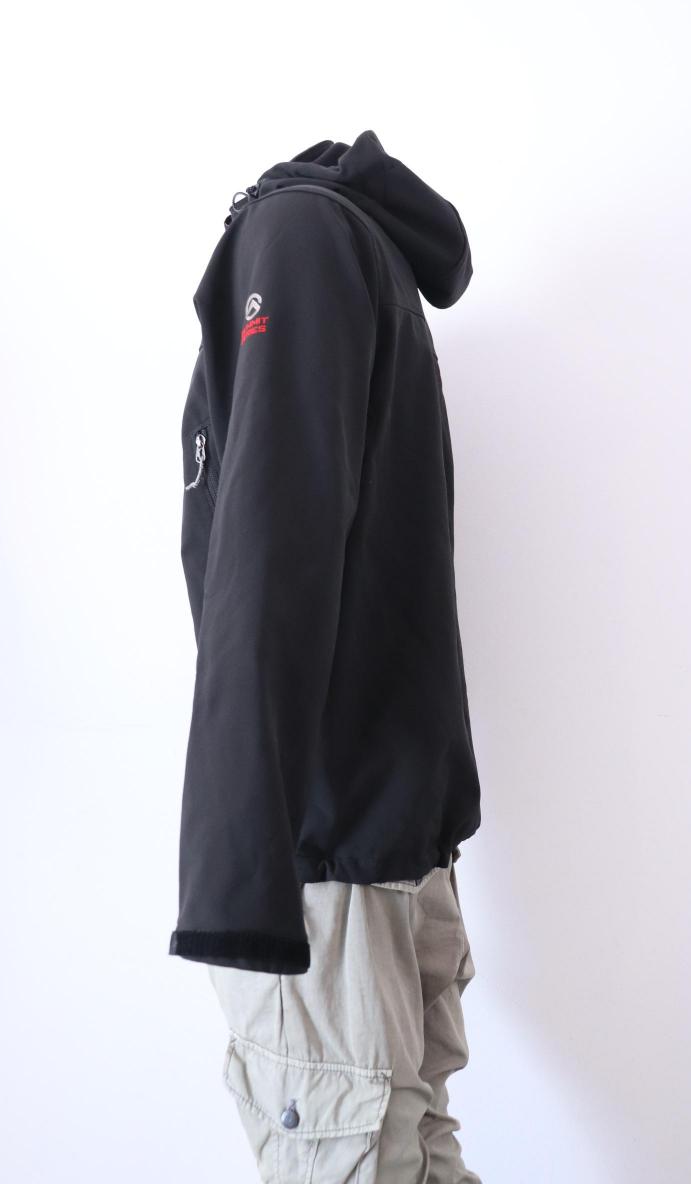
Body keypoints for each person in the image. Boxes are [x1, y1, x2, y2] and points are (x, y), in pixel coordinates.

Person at [170, 129, 483, 1183]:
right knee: (413, 1156)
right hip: (375, 842)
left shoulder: (296, 241)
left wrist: (236, 886)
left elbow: (268, 556)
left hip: (322, 867)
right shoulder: (355, 249)